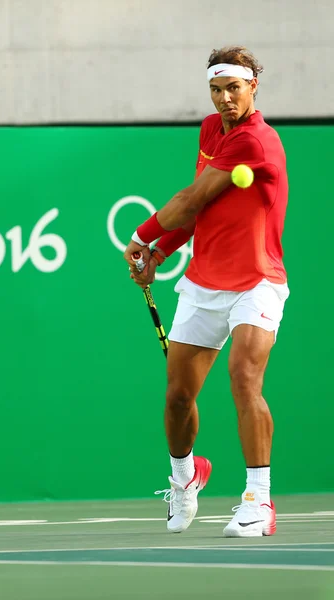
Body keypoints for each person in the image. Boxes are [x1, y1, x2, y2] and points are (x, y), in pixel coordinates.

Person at [123, 46, 290, 538]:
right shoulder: (210, 130)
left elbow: (191, 198)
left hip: (257, 282)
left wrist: (141, 236)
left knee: (244, 377)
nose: (223, 99)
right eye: (216, 90)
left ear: (253, 86)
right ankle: (185, 477)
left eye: (233, 88)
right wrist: (163, 252)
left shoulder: (257, 141)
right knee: (177, 397)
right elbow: (205, 207)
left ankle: (259, 501)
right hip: (203, 282)